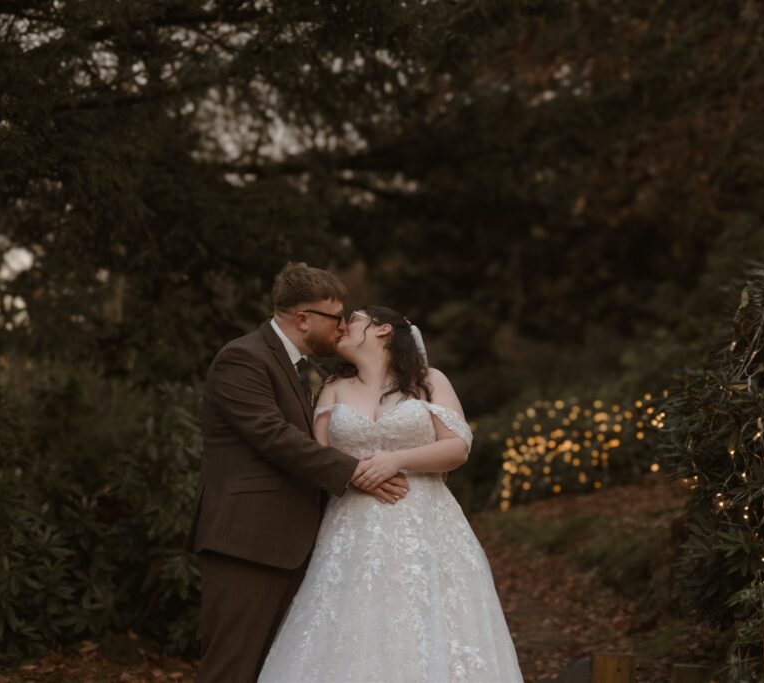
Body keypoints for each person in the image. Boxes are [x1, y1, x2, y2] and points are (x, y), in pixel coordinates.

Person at [258, 305, 524, 683]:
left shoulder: (429, 380)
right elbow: (319, 456)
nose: (343, 326)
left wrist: (395, 460)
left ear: (383, 330)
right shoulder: (333, 387)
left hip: (426, 524)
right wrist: (360, 476)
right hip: (352, 526)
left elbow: (458, 446)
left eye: (354, 319)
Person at [185, 264, 410, 683]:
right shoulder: (243, 358)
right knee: (231, 668)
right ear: (303, 318)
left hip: (293, 541)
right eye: (335, 317)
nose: (342, 326)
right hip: (247, 541)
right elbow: (274, 437)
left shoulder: (306, 368)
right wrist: (358, 472)